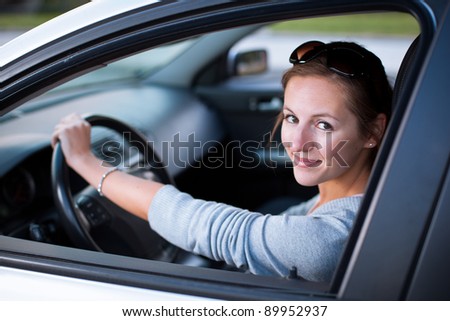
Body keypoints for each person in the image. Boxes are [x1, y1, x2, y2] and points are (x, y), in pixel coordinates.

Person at [52, 40, 392, 282]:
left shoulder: (326, 240)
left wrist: (86, 161)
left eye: (323, 124)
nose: (297, 142)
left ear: (373, 132)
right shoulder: (351, 195)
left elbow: (203, 225)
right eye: (291, 117)